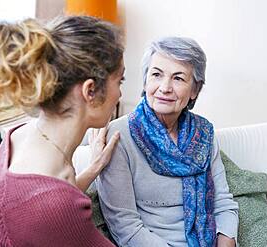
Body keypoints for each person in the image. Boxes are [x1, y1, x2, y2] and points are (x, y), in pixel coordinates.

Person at [0, 16, 125, 246]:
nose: (119, 94)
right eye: (120, 80)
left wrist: (94, 168)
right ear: (90, 91)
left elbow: (40, 209)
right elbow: (50, 209)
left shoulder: (17, 136)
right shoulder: (52, 204)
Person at [97, 37, 239, 247]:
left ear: (195, 90)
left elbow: (223, 203)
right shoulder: (119, 136)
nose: (165, 87)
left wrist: (226, 241)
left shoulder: (204, 134)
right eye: (156, 75)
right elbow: (125, 226)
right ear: (145, 82)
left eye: (178, 78)